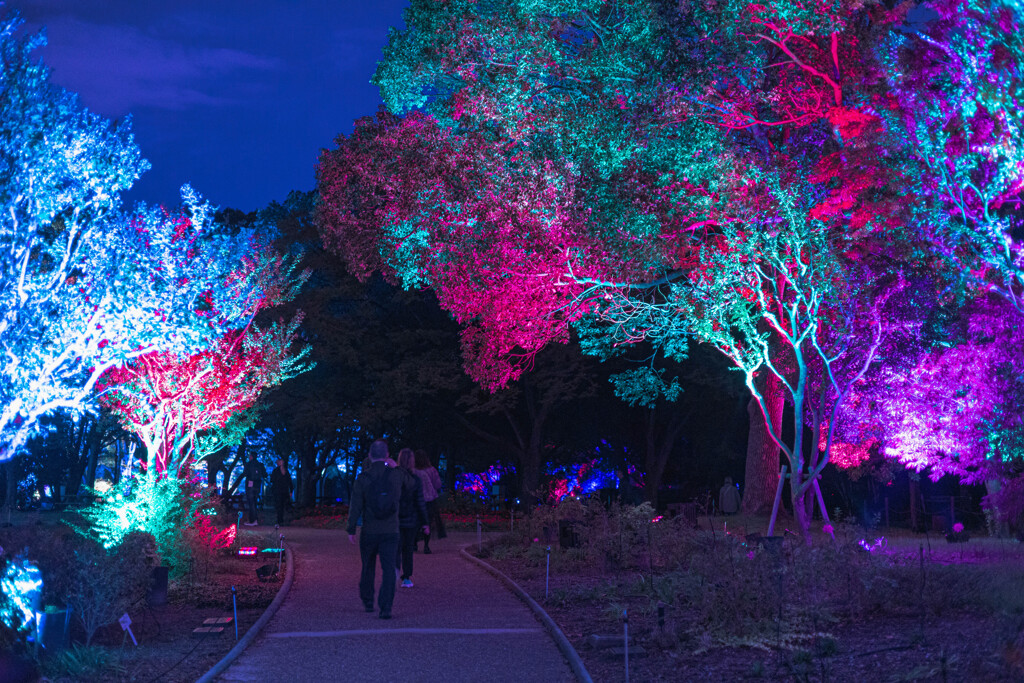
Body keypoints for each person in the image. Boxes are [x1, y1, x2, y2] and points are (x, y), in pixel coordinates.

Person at [347, 440, 404, 619]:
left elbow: (355, 505)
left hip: (370, 530)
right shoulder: (395, 475)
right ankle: (386, 607)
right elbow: (411, 484)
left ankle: (368, 600)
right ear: (387, 455)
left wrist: (351, 528)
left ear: (370, 456)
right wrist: (397, 467)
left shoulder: (363, 478)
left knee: (368, 566)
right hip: (390, 530)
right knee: (389, 569)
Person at [395, 449, 429, 588]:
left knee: (395, 547)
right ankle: (407, 577)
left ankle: (394, 571)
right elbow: (420, 502)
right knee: (408, 548)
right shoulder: (415, 480)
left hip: (395, 519)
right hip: (410, 519)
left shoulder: (394, 478)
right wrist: (425, 522)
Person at [413, 449, 445, 552]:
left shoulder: (413, 471)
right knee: (428, 521)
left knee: (415, 521)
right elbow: (438, 485)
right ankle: (426, 545)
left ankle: (414, 543)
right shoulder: (431, 470)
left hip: (415, 500)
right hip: (430, 499)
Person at [242, 452, 265, 525]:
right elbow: (265, 474)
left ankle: (253, 520)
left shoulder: (248, 464)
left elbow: (245, 473)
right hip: (257, 485)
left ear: (251, 457)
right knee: (254, 502)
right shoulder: (260, 465)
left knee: (251, 502)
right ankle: (254, 519)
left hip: (250, 485)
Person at [270, 458, 293, 526]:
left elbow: (289, 481)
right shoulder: (276, 471)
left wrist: (291, 490)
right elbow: (272, 480)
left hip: (283, 491)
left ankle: (281, 519)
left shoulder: (285, 471)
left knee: (281, 505)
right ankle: (280, 519)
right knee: (279, 505)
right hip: (278, 491)